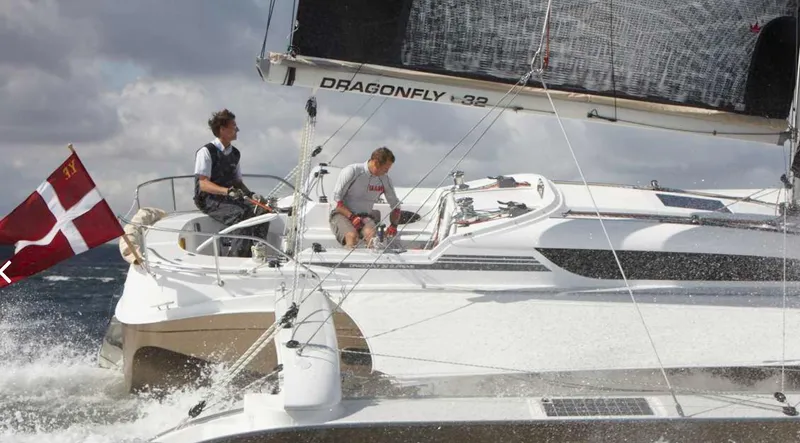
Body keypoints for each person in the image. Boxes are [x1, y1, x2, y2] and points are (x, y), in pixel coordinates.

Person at [193, 108, 268, 257]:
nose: (237, 129)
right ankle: (236, 257)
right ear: (222, 130)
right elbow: (203, 184)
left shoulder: (235, 153)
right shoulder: (206, 152)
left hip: (228, 198)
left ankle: (257, 253)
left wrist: (252, 196)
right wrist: (227, 191)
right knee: (240, 215)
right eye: (234, 126)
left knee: (262, 211)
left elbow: (237, 182)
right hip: (208, 199)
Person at [330, 147, 402, 248]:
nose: (387, 172)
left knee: (371, 236)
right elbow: (337, 201)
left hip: (365, 217)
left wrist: (394, 225)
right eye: (385, 169)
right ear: (376, 163)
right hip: (342, 214)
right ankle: (348, 260)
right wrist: (352, 217)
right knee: (352, 236)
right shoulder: (352, 171)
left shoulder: (385, 180)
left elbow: (396, 205)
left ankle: (371, 261)